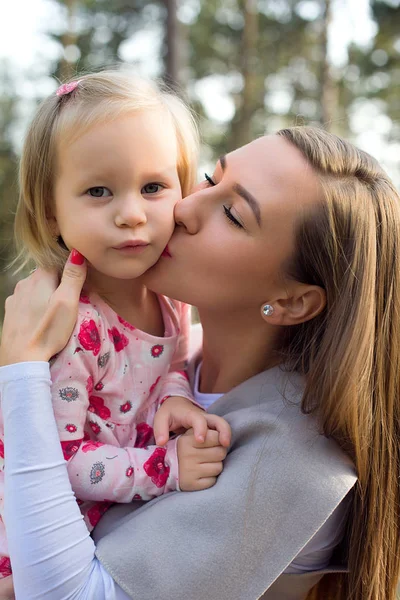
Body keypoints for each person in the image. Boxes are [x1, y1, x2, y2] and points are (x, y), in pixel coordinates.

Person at [0, 125, 399, 600]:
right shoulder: (160, 359)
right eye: (210, 178)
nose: (183, 208)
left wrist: (21, 367)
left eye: (231, 214)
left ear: (291, 301)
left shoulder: (298, 466)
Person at [0, 70, 230, 578]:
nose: (131, 214)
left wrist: (175, 394)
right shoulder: (77, 327)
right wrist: (162, 469)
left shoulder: (172, 296)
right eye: (99, 191)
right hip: (34, 542)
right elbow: (60, 460)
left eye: (153, 186)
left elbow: (175, 357)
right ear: (51, 212)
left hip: (115, 526)